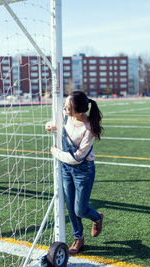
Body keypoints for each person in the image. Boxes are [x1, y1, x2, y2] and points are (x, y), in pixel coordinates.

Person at [45, 91, 104, 255]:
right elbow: (55, 122)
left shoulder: (88, 129)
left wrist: (56, 153)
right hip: (66, 169)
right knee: (70, 207)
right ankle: (78, 239)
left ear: (79, 112)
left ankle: (97, 217)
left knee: (80, 209)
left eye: (68, 108)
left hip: (83, 170)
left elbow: (78, 157)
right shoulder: (66, 115)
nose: (65, 109)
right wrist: (50, 125)